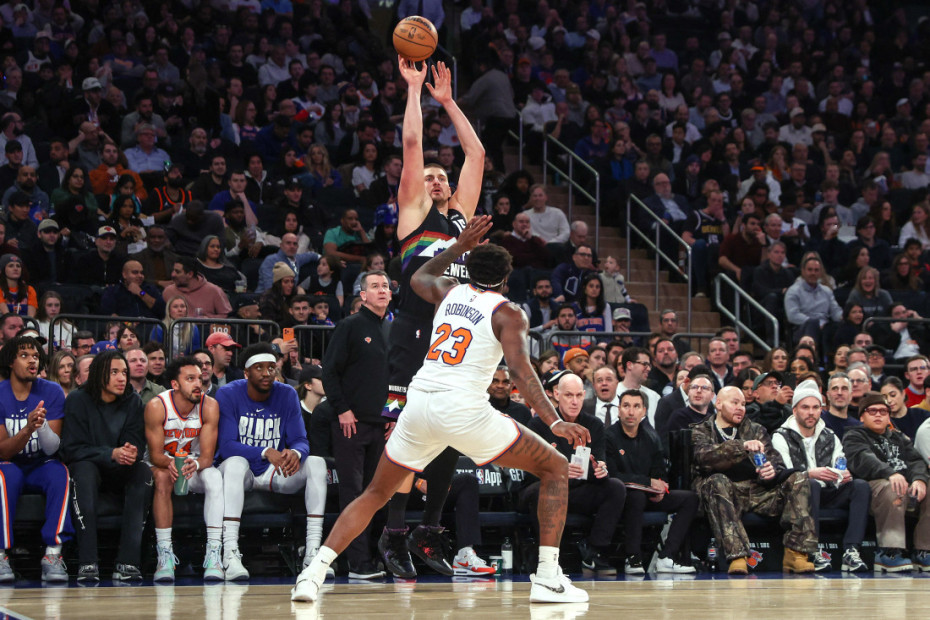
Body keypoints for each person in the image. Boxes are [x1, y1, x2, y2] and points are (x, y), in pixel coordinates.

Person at [293, 216, 591, 604]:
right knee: (555, 467)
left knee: (375, 493)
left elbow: (418, 276)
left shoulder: (449, 291)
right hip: (462, 408)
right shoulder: (508, 313)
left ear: (467, 269)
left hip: (419, 403)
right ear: (506, 279)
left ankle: (312, 574)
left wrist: (459, 245)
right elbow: (521, 372)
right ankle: (548, 578)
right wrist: (554, 421)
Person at [378, 59, 487, 573]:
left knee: (450, 438)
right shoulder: (413, 213)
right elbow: (412, 145)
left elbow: (476, 153)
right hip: (413, 332)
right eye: (430, 177)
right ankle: (394, 535)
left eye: (443, 176)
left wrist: (448, 101)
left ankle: (429, 531)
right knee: (409, 436)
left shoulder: (462, 219)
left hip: (453, 338)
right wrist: (415, 90)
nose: (438, 179)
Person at [216, 341, 328, 580]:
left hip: (273, 472)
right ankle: (230, 554)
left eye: (271, 367)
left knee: (317, 463)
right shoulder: (228, 393)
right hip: (242, 472)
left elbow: (300, 440)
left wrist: (295, 453)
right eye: (259, 368)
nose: (267, 373)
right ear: (246, 373)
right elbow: (226, 446)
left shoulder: (287, 393)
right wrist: (266, 451)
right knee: (235, 464)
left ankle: (312, 553)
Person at [692, 385, 817, 574]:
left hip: (758, 492)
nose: (740, 408)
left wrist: (771, 470)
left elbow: (775, 461)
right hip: (724, 494)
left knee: (798, 478)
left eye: (743, 404)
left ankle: (796, 553)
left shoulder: (756, 429)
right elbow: (703, 457)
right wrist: (741, 446)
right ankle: (737, 556)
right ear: (718, 404)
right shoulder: (701, 430)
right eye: (734, 403)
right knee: (717, 481)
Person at [321, 269, 392, 579]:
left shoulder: (391, 328)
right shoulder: (349, 326)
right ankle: (357, 563)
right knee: (354, 493)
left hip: (382, 424)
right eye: (375, 286)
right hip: (351, 423)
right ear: (363, 295)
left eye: (385, 286)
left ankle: (375, 557)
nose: (382, 290)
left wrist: (393, 415)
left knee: (379, 493)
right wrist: (342, 409)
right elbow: (329, 371)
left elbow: (398, 378)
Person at [60, 350, 152, 582]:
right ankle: (88, 561)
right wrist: (110, 453)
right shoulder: (77, 400)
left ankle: (128, 562)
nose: (122, 378)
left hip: (120, 468)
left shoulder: (133, 401)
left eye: (124, 372)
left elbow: (135, 441)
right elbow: (71, 449)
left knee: (142, 471)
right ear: (100, 374)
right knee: (84, 470)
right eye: (114, 372)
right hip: (89, 466)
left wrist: (131, 452)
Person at [524, 373, 626, 577]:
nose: (574, 401)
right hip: (544, 487)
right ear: (556, 395)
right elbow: (528, 470)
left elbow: (600, 462)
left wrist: (601, 469)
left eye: (579, 395)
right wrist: (557, 471)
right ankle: (549, 557)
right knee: (541, 491)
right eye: (569, 395)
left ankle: (594, 551)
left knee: (615, 487)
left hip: (577, 490)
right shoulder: (538, 424)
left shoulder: (594, 424)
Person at [772, 380, 870, 572]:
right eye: (805, 407)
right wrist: (809, 474)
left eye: (816, 407)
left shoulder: (830, 435)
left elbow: (839, 463)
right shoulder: (781, 436)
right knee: (811, 484)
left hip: (828, 491)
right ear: (794, 410)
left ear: (821, 409)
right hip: (794, 496)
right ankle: (812, 550)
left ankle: (851, 551)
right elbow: (784, 475)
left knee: (860, 486)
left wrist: (842, 475)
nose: (811, 412)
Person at [144, 356, 224, 581]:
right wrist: (170, 463)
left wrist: (195, 464)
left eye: (199, 378)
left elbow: (207, 457)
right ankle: (165, 555)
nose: (198, 383)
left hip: (192, 465)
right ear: (175, 384)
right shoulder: (157, 406)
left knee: (214, 477)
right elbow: (155, 455)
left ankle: (214, 554)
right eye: (190, 379)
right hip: (163, 464)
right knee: (162, 478)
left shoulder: (209, 405)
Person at [0, 336, 71, 582]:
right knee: (5, 475)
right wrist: (27, 429)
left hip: (40, 463)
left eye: (36, 356)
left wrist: (41, 427)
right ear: (10, 362)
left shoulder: (52, 391)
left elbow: (52, 449)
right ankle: (1, 555)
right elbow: (3, 451)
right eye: (24, 356)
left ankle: (53, 554)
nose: (32, 361)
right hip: (9, 463)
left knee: (60, 473)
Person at [606, 388, 698, 574]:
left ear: (644, 411)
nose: (631, 412)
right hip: (621, 498)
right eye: (626, 406)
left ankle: (666, 557)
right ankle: (633, 557)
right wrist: (648, 482)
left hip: (649, 494)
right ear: (618, 410)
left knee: (690, 498)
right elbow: (613, 475)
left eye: (636, 406)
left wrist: (660, 486)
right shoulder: (608, 436)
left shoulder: (651, 436)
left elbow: (659, 470)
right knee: (636, 497)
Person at [843, 392, 930, 572]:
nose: (878, 415)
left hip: (903, 485)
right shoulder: (854, 436)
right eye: (872, 411)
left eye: (883, 411)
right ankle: (888, 552)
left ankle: (924, 551)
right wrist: (891, 473)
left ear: (889, 416)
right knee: (893, 487)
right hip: (872, 489)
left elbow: (916, 461)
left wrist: (920, 480)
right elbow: (865, 459)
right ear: (862, 416)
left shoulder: (899, 438)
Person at [161, 257, 232, 319]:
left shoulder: (214, 291)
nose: (173, 274)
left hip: (206, 329)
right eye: (173, 271)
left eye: (177, 272)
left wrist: (208, 319)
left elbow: (226, 315)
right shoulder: (168, 291)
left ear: (190, 274)